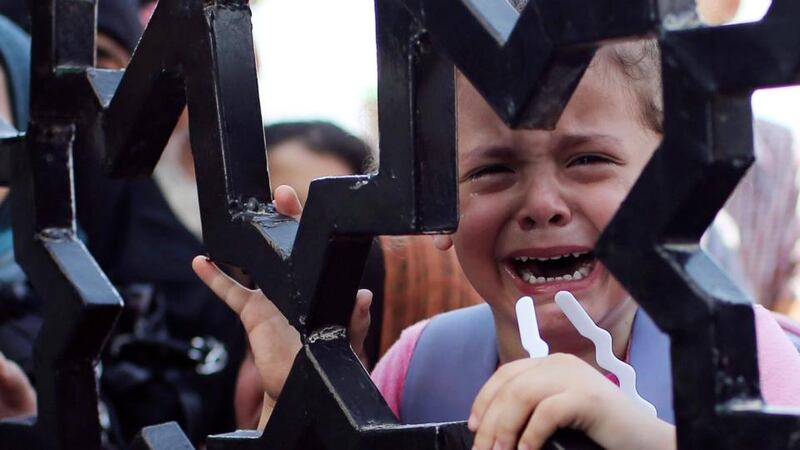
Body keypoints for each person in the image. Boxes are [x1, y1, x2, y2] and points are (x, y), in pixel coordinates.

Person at [193, 30, 800, 450]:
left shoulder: (743, 358)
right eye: (493, 170)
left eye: (587, 159)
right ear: (434, 211)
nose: (541, 205)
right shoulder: (419, 366)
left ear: (670, 185)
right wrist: (302, 394)